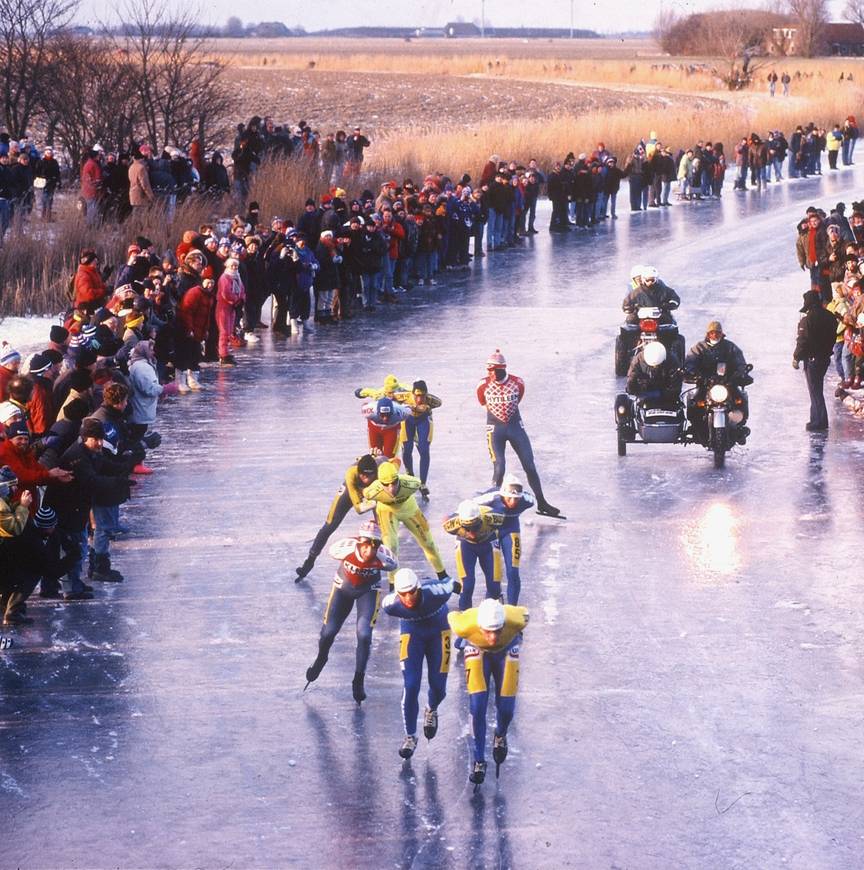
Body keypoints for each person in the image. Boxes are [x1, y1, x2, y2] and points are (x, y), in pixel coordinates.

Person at [303, 520, 397, 704]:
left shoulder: (386, 558)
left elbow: (394, 566)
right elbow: (330, 550)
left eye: (374, 545)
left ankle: (358, 679)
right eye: (365, 545)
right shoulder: (342, 548)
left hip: (368, 591)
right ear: (358, 542)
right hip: (342, 589)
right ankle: (322, 658)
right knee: (328, 632)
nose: (369, 550)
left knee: (364, 634)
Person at [448, 598, 529, 786]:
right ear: (479, 626)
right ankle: (478, 759)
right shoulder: (463, 625)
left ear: (504, 625)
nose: (492, 638)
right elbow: (451, 615)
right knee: (477, 706)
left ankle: (500, 735)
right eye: (488, 632)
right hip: (477, 650)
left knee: (507, 708)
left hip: (507, 650)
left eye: (497, 631)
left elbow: (525, 612)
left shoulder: (517, 619)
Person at [381, 568, 455, 759]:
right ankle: (410, 736)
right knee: (411, 685)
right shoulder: (390, 605)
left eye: (412, 591)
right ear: (397, 594)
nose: (408, 597)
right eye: (403, 594)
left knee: (439, 687)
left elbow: (450, 583)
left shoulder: (437, 592)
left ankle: (431, 709)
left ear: (419, 588)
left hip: (439, 631)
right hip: (412, 634)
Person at [476, 349, 560, 517]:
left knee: (529, 465)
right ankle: (494, 506)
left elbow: (519, 397)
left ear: (501, 368)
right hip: (495, 430)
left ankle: (542, 503)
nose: (489, 373)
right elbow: (482, 402)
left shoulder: (517, 382)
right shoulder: (483, 385)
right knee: (499, 467)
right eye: (488, 370)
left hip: (515, 427)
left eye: (492, 370)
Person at [295, 453, 388, 581]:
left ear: (376, 472)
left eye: (369, 476)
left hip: (373, 491)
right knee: (330, 524)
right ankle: (310, 561)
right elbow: (359, 509)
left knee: (384, 526)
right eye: (363, 476)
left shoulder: (383, 467)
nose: (366, 479)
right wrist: (376, 500)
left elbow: (393, 462)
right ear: (358, 472)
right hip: (353, 491)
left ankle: (382, 561)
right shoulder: (351, 473)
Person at [361, 461, 448, 587]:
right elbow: (360, 497)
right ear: (380, 483)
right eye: (386, 484)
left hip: (409, 509)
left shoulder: (412, 483)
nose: (391, 488)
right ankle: (393, 583)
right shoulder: (372, 491)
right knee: (391, 547)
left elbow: (399, 466)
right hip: (387, 511)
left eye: (394, 482)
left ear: (398, 478)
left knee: (429, 543)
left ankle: (442, 574)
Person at [684, 321, 752, 443]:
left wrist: (739, 373)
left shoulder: (730, 347)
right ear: (707, 334)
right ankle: (696, 428)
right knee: (695, 403)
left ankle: (739, 428)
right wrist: (694, 373)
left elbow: (740, 362)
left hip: (727, 384)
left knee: (740, 399)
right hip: (706, 384)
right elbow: (690, 361)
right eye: (712, 333)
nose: (714, 335)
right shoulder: (699, 347)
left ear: (722, 334)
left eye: (717, 333)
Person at [475, 473, 533, 605]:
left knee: (513, 571)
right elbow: (468, 505)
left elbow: (536, 499)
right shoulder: (490, 497)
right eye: (509, 498)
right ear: (502, 495)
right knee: (494, 574)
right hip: (492, 533)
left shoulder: (527, 500)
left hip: (511, 531)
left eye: (516, 499)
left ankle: (512, 606)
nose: (513, 502)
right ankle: (491, 599)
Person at [443, 499, 504, 611]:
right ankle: (465, 613)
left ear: (480, 520)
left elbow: (506, 524)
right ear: (460, 523)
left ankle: (491, 612)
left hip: (488, 543)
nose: (472, 533)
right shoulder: (451, 524)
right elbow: (445, 519)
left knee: (494, 585)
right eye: (467, 528)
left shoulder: (493, 517)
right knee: (467, 585)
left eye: (476, 526)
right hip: (466, 546)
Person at [793, 290, 837, 432]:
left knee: (815, 391)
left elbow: (802, 341)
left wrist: (796, 357)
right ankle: (816, 418)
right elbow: (833, 337)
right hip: (824, 358)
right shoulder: (830, 317)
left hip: (812, 359)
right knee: (817, 388)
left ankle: (819, 421)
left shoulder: (807, 320)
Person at [395, 380, 441, 498]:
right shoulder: (404, 396)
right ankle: (410, 474)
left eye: (422, 396)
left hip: (423, 420)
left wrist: (422, 408)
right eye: (417, 396)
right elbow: (387, 395)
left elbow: (440, 403)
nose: (420, 399)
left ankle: (423, 483)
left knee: (424, 450)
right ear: (412, 394)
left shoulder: (432, 400)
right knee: (407, 447)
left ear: (426, 394)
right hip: (408, 420)